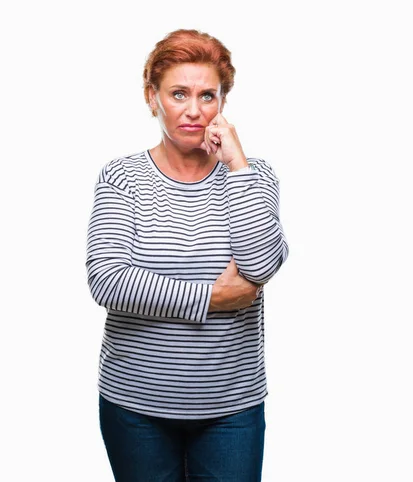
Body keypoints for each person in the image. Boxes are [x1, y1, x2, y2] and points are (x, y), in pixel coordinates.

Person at [86, 29, 288, 482]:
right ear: (151, 97)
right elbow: (108, 280)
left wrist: (237, 166)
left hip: (231, 406)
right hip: (134, 405)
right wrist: (213, 298)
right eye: (179, 94)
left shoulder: (255, 176)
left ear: (223, 102)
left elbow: (260, 266)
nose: (194, 110)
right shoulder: (122, 178)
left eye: (208, 96)